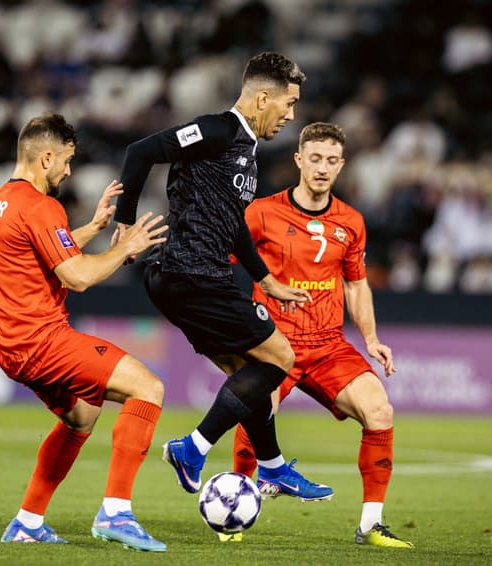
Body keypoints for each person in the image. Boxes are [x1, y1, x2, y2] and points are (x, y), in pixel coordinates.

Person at [112, 52, 334, 505]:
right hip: (190, 273)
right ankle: (191, 449)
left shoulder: (243, 150)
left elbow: (232, 222)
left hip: (190, 277)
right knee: (279, 358)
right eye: (288, 105)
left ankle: (272, 469)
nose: (290, 116)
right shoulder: (218, 130)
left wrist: (264, 279)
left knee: (245, 373)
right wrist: (125, 221)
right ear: (263, 97)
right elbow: (141, 152)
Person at [0, 113, 169, 552]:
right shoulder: (42, 205)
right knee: (148, 388)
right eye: (66, 161)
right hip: (41, 340)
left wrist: (95, 230)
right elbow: (76, 277)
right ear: (46, 156)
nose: (68, 170)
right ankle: (116, 513)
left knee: (81, 415)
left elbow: (41, 251)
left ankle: (27, 522)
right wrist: (125, 248)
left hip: (8, 346)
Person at [230, 122, 414, 548]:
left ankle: (371, 525)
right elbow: (223, 261)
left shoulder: (351, 221)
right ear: (298, 160)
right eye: (315, 158)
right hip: (276, 343)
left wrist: (370, 339)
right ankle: (235, 511)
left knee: (380, 411)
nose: (322, 168)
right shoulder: (260, 213)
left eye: (332, 160)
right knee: (257, 411)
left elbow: (355, 284)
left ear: (342, 165)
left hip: (328, 345)